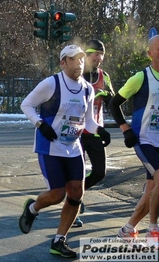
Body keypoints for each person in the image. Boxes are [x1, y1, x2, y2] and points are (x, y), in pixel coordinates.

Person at [19, 44, 111, 258]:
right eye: (73, 59)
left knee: (77, 193)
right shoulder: (52, 83)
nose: (79, 62)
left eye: (81, 59)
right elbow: (27, 105)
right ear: (63, 62)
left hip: (73, 148)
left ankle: (59, 240)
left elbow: (87, 121)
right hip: (50, 146)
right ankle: (32, 208)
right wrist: (40, 124)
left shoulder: (88, 88)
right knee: (57, 194)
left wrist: (100, 131)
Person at [109, 34, 159, 244]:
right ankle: (153, 229)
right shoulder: (141, 77)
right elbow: (114, 104)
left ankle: (128, 229)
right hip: (144, 140)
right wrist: (125, 129)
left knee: (151, 191)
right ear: (149, 53)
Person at [73, 40, 115, 227]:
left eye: (101, 54)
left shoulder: (103, 76)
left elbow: (114, 101)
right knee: (77, 173)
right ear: (87, 55)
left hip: (95, 131)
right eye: (95, 54)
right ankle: (75, 203)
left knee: (99, 172)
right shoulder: (77, 75)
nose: (98, 58)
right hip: (77, 131)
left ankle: (75, 193)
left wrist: (108, 96)